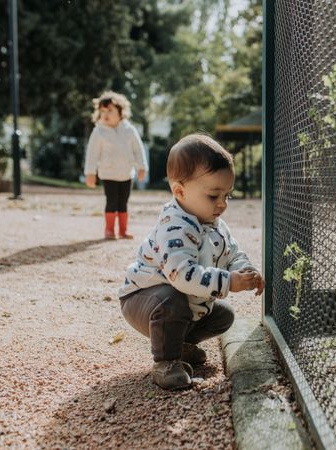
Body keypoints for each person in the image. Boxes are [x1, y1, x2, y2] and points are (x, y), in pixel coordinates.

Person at [118, 133, 265, 390]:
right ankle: (166, 362)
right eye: (213, 196)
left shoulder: (215, 224)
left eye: (227, 196)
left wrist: (245, 271)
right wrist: (229, 282)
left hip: (180, 299)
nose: (222, 204)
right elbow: (181, 275)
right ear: (179, 191)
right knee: (171, 300)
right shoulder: (174, 226)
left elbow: (233, 253)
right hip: (144, 299)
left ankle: (180, 346)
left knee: (223, 316)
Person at [83, 91, 148, 239]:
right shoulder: (98, 131)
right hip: (108, 174)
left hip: (126, 174)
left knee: (123, 203)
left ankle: (123, 230)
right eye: (102, 111)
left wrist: (142, 167)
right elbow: (92, 154)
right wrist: (90, 173)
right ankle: (110, 230)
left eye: (110, 110)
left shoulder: (129, 130)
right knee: (111, 202)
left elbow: (138, 149)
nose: (105, 114)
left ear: (120, 112)